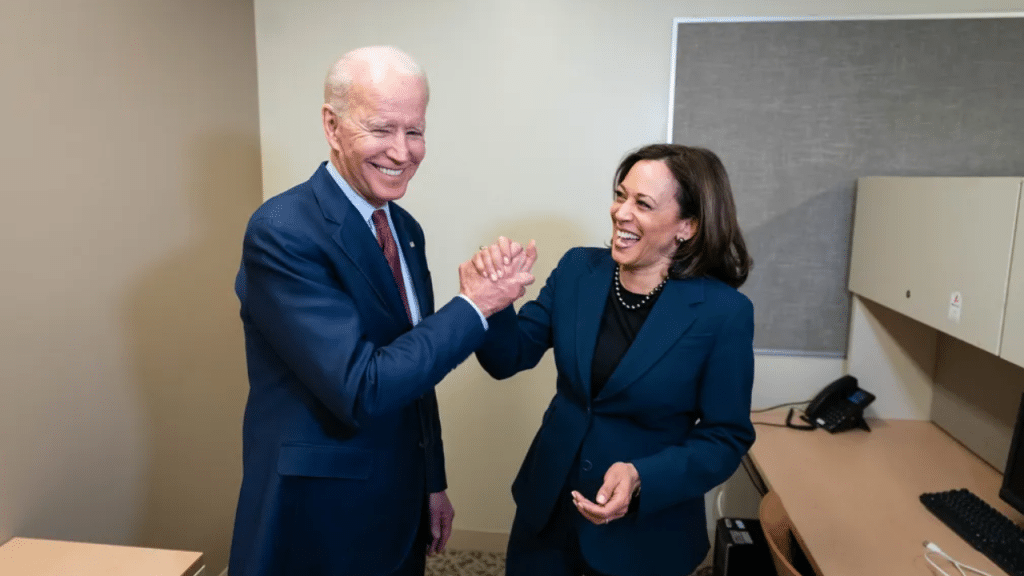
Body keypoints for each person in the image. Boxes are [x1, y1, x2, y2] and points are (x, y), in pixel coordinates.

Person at [228, 46, 536, 576]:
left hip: (396, 498)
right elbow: (362, 387)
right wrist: (475, 305)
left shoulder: (403, 229)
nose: (402, 152)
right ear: (332, 125)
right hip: (318, 515)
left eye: (414, 131)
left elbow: (414, 370)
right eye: (381, 129)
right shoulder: (283, 231)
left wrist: (431, 479)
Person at [473, 143, 755, 576]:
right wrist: (493, 303)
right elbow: (507, 358)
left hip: (644, 535)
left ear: (687, 226)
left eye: (642, 203)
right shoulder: (577, 271)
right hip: (548, 511)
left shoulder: (723, 313)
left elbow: (725, 437)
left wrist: (644, 477)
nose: (621, 213)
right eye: (621, 195)